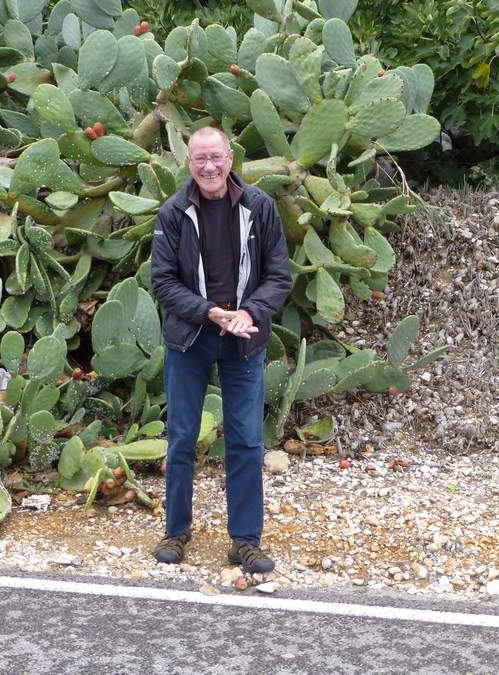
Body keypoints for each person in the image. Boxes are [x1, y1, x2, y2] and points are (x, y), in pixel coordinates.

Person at [150, 127, 293, 573]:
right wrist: (208, 311)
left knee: (248, 441)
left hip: (244, 335)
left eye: (216, 157)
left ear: (230, 158)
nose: (208, 167)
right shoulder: (174, 212)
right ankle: (176, 531)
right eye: (199, 159)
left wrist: (251, 313)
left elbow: (279, 276)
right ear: (188, 163)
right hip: (191, 335)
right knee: (182, 438)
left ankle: (245, 541)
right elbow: (163, 281)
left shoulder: (260, 208)